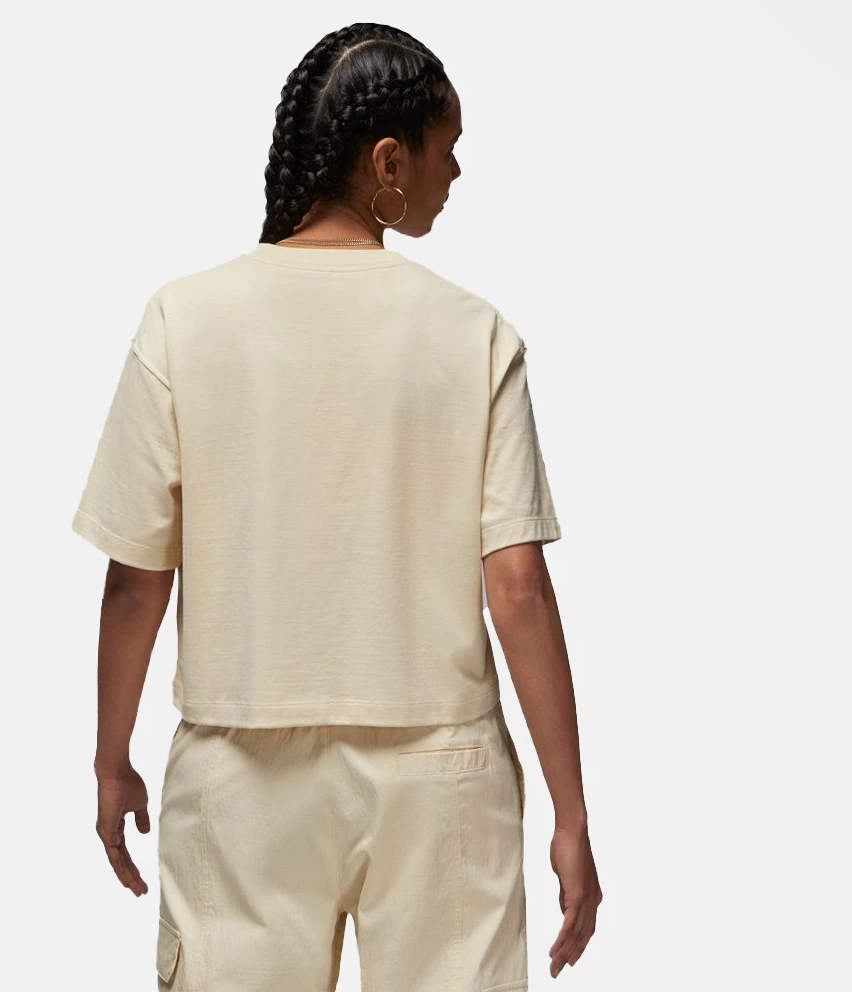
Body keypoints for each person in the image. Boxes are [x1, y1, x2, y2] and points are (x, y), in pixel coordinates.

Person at [71, 21, 602, 991]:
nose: (457, 172)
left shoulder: (184, 321)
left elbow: (135, 581)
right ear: (387, 163)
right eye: (446, 149)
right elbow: (518, 587)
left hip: (241, 775)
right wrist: (571, 813)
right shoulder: (474, 334)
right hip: (441, 771)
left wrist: (111, 759)